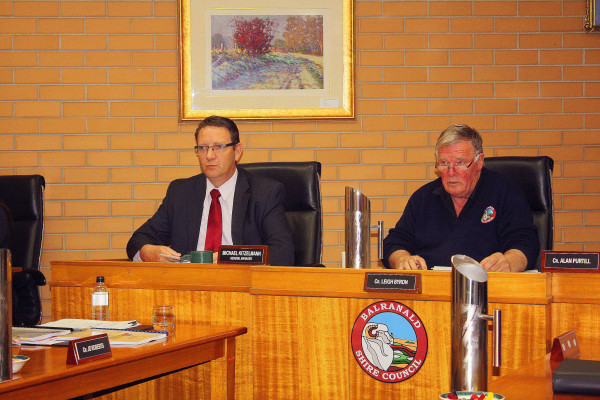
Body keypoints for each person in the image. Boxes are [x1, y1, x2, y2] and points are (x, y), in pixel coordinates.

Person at [127, 115, 295, 266]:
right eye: (202, 148)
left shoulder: (265, 193)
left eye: (218, 147)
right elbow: (138, 240)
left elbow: (283, 253)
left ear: (237, 151)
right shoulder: (181, 193)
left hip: (241, 284)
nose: (209, 156)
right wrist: (148, 252)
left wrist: (228, 257)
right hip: (190, 283)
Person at [382, 124, 539, 272]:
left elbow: (526, 243)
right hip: (432, 286)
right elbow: (394, 242)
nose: (451, 173)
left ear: (479, 162)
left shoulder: (506, 193)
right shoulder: (423, 198)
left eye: (460, 163)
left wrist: (509, 262)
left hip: (487, 286)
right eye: (444, 163)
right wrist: (402, 259)